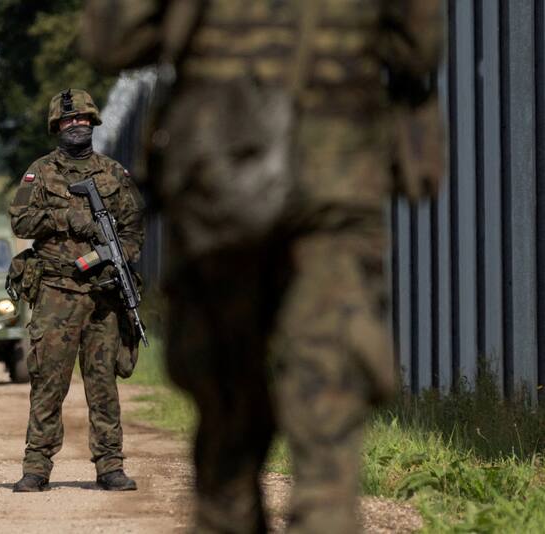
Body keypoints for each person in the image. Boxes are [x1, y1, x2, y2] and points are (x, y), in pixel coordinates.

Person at [80, 1, 444, 531]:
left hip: (219, 174)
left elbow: (111, 42)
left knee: (228, 403)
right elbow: (419, 47)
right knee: (329, 390)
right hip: (333, 174)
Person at [9, 89, 145, 492]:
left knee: (103, 383)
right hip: (56, 292)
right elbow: (21, 222)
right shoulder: (40, 172)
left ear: (93, 123)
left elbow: (134, 228)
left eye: (83, 119)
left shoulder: (114, 174)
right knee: (48, 381)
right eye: (68, 121)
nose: (76, 125)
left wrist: (115, 257)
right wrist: (67, 217)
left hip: (103, 297)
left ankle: (110, 465)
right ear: (56, 127)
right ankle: (36, 467)